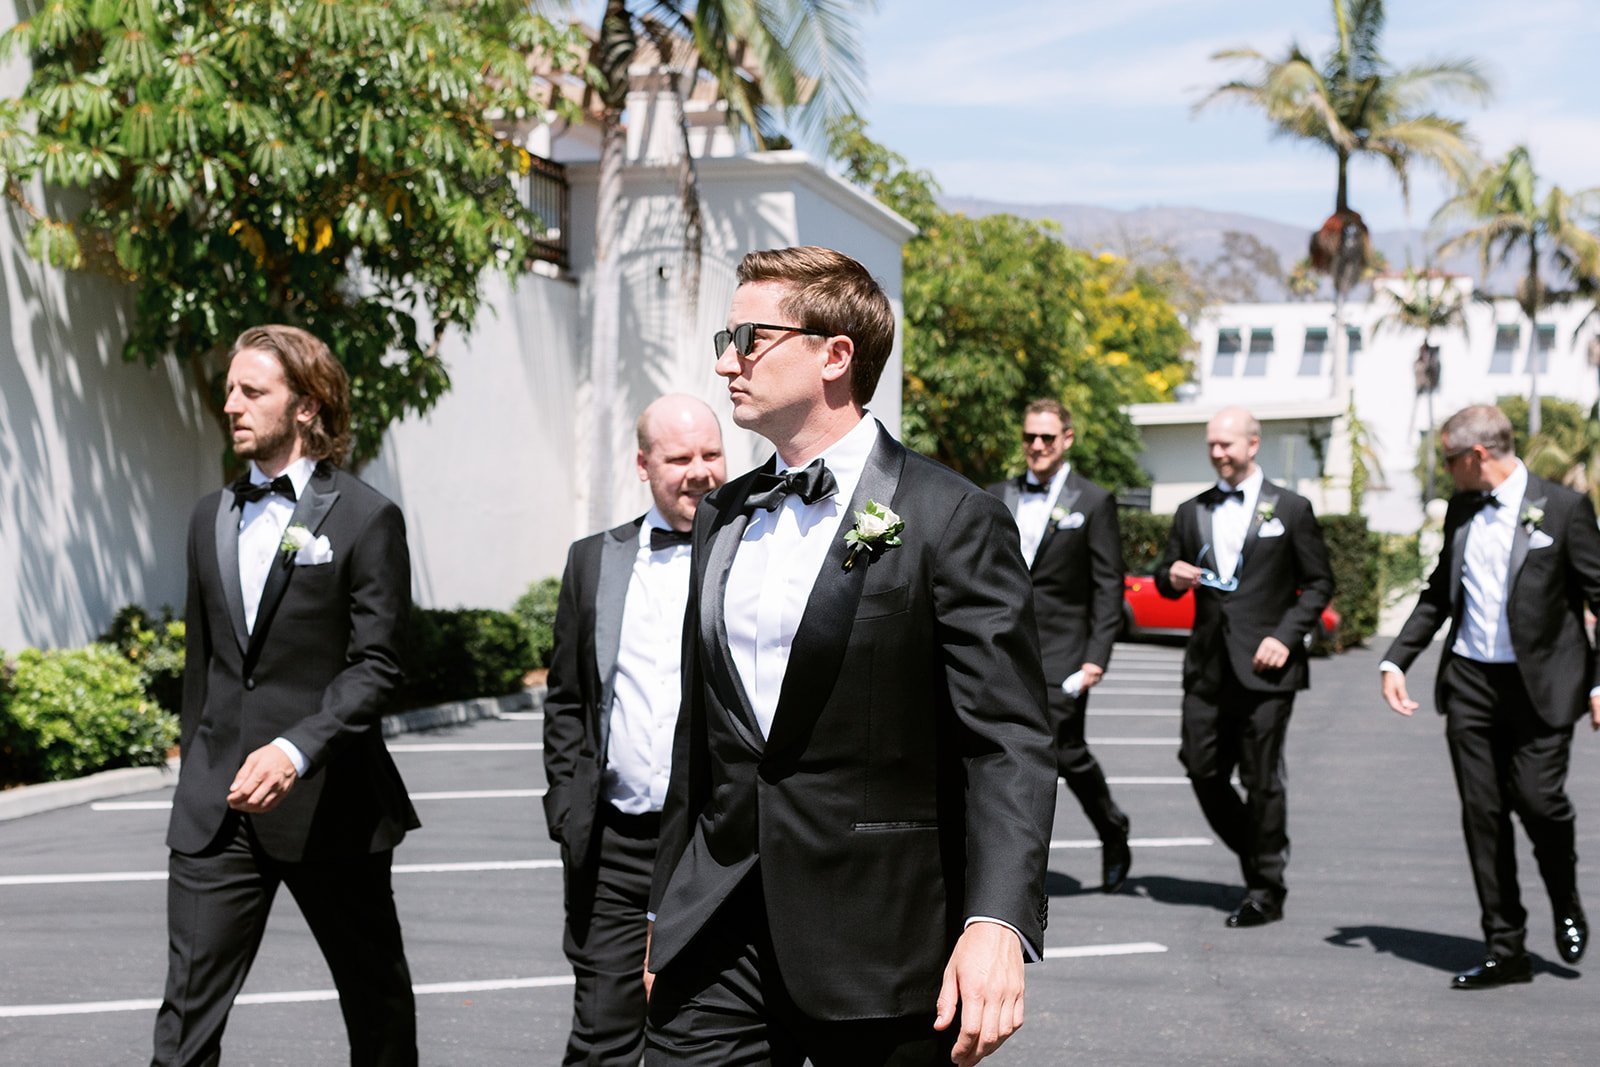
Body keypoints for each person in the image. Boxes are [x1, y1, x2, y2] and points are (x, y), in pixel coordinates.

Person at [644, 247, 1056, 1067]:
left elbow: (1007, 738)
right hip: (719, 923)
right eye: (725, 337)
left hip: (883, 938)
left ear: (836, 355)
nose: (727, 360)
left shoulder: (950, 516)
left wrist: (998, 921)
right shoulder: (723, 513)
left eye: (750, 336)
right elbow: (705, 734)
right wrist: (667, 910)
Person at [152, 325, 419, 1065]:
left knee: (378, 1008)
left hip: (331, 804)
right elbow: (204, 668)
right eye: (229, 390)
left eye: (252, 391)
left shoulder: (366, 516)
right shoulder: (209, 515)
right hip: (217, 813)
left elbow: (378, 663)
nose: (231, 404)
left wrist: (296, 748)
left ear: (305, 406)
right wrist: (197, 779)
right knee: (184, 1023)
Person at [1381, 404, 1600, 989]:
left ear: (1476, 456)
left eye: (1448, 459)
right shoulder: (1461, 508)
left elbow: (1598, 594)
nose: (1446, 470)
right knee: (1483, 815)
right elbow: (1437, 594)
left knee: (1538, 802)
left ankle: (1565, 897)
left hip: (1544, 688)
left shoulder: (1565, 508)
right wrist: (1396, 658)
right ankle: (1507, 948)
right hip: (1472, 683)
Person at [543, 394, 727, 1064]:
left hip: (716, 844)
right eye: (680, 458)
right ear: (644, 464)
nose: (701, 471)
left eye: (712, 453)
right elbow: (567, 698)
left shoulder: (754, 553)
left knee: (712, 1032)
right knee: (603, 1035)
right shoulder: (594, 561)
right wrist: (568, 805)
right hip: (616, 843)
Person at [1153, 406, 1333, 929]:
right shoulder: (1191, 510)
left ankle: (1264, 887)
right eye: (1211, 444)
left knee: (1262, 780)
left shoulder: (1292, 509)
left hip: (1267, 667)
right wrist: (1173, 575)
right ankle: (1261, 852)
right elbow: (1164, 574)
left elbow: (1319, 583)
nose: (1217, 453)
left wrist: (1286, 636)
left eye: (1226, 444)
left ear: (1253, 445)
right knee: (1201, 766)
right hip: (1208, 665)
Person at [987, 399, 1131, 892]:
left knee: (1062, 751)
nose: (1037, 446)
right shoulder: (996, 494)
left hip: (1065, 651)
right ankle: (1010, 868)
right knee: (1004, 752)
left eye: (1047, 437)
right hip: (1002, 648)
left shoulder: (1092, 501)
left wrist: (1096, 657)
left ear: (1067, 438)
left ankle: (1112, 829)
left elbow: (1108, 586)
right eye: (1030, 437)